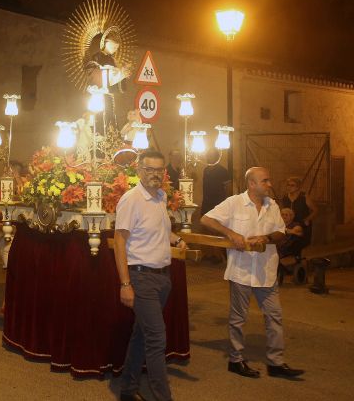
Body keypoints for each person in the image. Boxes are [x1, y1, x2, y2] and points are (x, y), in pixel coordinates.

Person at [201, 167, 304, 379]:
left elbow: (280, 232)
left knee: (274, 315)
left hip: (266, 271)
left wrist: (265, 238)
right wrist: (231, 233)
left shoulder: (272, 205)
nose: (270, 184)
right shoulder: (234, 203)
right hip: (241, 270)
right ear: (252, 184)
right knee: (238, 318)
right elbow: (206, 220)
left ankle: (276, 363)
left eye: (269, 180)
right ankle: (236, 360)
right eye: (265, 181)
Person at [113, 150, 187, 401]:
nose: (155, 174)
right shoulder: (131, 199)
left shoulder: (161, 196)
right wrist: (125, 284)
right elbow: (120, 241)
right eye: (149, 170)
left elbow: (159, 229)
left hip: (163, 277)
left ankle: (127, 390)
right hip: (141, 277)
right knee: (156, 338)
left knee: (141, 335)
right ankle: (162, 397)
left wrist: (176, 239)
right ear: (139, 171)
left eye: (159, 170)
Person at [279, 176, 318, 248]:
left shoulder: (304, 197)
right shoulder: (285, 197)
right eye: (288, 185)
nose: (289, 187)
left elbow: (315, 210)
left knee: (301, 246)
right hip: (289, 225)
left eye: (292, 185)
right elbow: (282, 211)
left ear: (298, 187)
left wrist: (307, 219)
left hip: (302, 223)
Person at [200, 148, 231, 216]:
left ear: (216, 157)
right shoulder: (206, 170)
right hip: (206, 205)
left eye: (211, 155)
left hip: (218, 205)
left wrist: (226, 204)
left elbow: (228, 189)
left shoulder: (223, 171)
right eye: (208, 155)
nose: (208, 157)